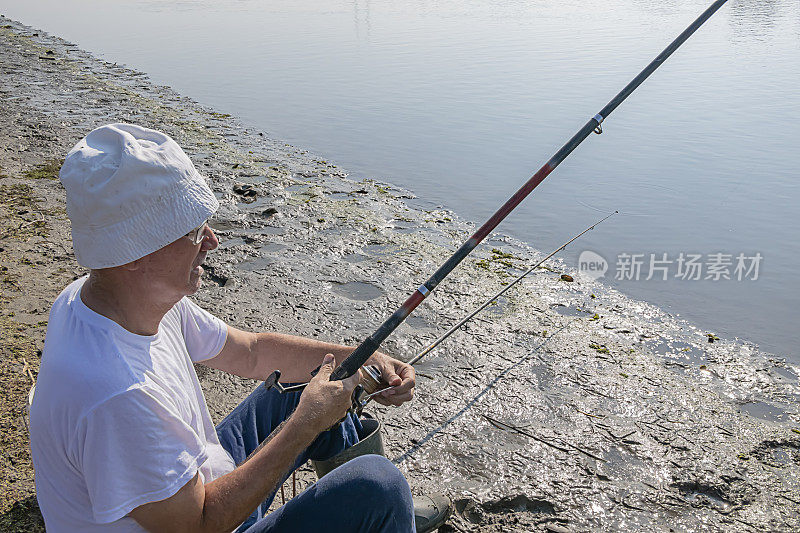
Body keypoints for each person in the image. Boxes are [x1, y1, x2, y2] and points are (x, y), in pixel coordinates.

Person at [29, 123, 450, 532]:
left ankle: (388, 520)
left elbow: (250, 352)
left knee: (318, 383)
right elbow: (198, 525)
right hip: (203, 518)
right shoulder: (118, 396)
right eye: (193, 230)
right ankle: (386, 513)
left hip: (201, 482)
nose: (212, 240)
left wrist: (362, 359)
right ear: (132, 254)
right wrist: (306, 424)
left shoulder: (105, 298)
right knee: (380, 485)